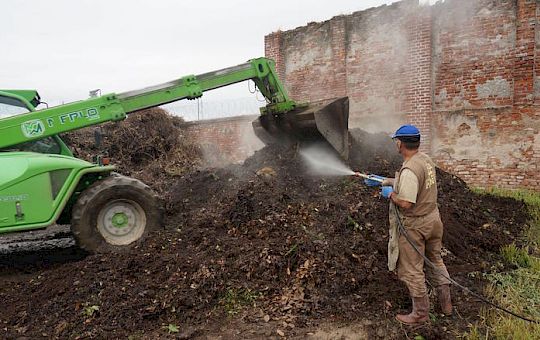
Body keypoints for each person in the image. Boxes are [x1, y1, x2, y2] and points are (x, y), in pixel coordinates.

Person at [357, 124, 452, 325]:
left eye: (396, 141)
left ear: (400, 143)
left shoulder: (409, 169)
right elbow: (412, 182)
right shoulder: (424, 160)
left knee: (412, 269)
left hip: (416, 226)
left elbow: (407, 203)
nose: (395, 144)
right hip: (433, 219)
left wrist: (390, 194)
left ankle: (420, 314)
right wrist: (385, 181)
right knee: (435, 260)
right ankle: (447, 305)